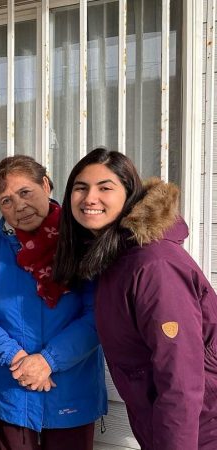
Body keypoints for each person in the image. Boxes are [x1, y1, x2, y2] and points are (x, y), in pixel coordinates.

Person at [54, 148, 217, 450]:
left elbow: (180, 378)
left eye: (105, 188)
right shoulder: (115, 256)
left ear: (129, 195)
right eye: (81, 188)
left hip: (200, 430)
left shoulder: (154, 265)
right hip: (160, 423)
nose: (90, 198)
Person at [0, 155, 107, 449]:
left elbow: (97, 315)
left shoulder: (83, 243)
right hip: (13, 386)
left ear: (46, 184)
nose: (19, 206)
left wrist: (48, 361)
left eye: (25, 192)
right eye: (6, 201)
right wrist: (17, 358)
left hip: (71, 386)